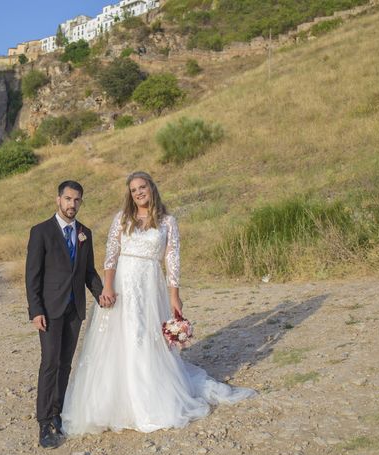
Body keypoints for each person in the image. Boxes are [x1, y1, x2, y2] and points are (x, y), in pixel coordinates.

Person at [62, 171, 256, 435]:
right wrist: (107, 285)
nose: (138, 192)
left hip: (150, 285)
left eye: (142, 187)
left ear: (151, 188)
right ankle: (110, 402)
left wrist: (174, 295)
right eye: (133, 190)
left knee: (146, 336)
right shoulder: (122, 219)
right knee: (118, 338)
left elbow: (172, 260)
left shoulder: (168, 222)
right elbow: (111, 254)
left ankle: (149, 400)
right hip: (122, 283)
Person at [25, 180, 112, 448]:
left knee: (65, 364)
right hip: (50, 311)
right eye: (68, 199)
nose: (72, 204)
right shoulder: (41, 232)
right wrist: (36, 309)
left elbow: (88, 272)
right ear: (58, 200)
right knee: (49, 363)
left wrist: (101, 294)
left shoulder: (85, 233)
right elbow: (32, 276)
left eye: (77, 200)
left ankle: (59, 413)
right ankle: (44, 422)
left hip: (75, 309)